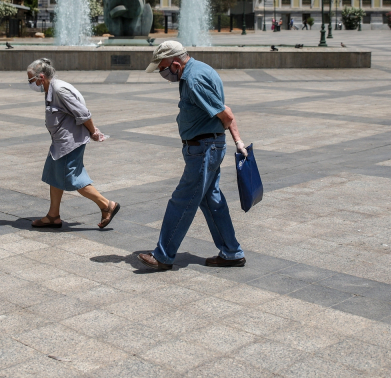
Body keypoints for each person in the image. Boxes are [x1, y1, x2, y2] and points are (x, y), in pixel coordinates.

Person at [138, 41, 246, 271]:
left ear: (175, 63)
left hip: (204, 149)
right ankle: (231, 252)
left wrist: (239, 142)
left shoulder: (194, 79)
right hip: (207, 146)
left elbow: (226, 114)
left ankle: (163, 255)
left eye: (162, 67)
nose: (161, 72)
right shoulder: (201, 69)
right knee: (211, 200)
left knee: (182, 200)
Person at [27, 58, 119, 229]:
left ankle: (107, 205)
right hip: (60, 142)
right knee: (54, 176)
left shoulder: (59, 90)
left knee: (74, 179)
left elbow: (83, 113)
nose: (30, 84)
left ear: (41, 77)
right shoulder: (51, 88)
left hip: (69, 143)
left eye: (31, 80)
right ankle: (53, 216)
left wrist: (94, 132)